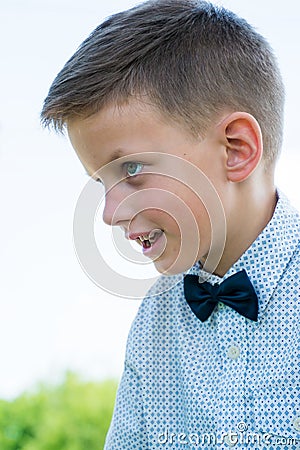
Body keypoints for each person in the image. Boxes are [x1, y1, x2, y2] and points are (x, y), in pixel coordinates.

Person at [41, 0, 300, 448]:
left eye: (131, 169)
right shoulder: (153, 327)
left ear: (236, 149)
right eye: (100, 182)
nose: (109, 213)